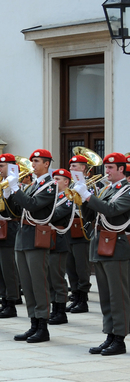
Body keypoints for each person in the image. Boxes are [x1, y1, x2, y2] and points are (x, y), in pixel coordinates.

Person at [72, 152, 130, 356]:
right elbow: (91, 215)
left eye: (111, 168)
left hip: (117, 246)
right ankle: (110, 334)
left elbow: (112, 210)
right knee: (106, 296)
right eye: (106, 168)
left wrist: (88, 196)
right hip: (101, 243)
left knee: (118, 295)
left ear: (121, 169)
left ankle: (120, 338)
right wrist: (82, 198)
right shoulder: (107, 188)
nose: (106, 172)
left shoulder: (127, 190)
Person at [5, 149, 57, 343]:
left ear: (46, 164)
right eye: (32, 161)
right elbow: (18, 209)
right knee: (26, 284)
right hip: (24, 236)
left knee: (38, 282)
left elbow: (33, 205)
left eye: (36, 161)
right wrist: (9, 193)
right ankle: (33, 322)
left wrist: (16, 190)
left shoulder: (50, 186)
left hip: (37, 236)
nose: (32, 164)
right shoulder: (33, 184)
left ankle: (43, 325)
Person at [0, 154, 21, 319]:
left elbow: (14, 210)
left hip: (9, 227)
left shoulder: (17, 185)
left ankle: (12, 303)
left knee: (8, 269)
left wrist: (8, 191)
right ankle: (4, 299)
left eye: (2, 166)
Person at [65, 154, 93, 313]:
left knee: (82, 266)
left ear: (83, 168)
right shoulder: (70, 185)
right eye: (71, 167)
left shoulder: (90, 185)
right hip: (69, 226)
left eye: (75, 166)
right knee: (70, 264)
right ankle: (75, 295)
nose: (72, 169)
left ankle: (83, 299)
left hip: (82, 226)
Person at [47, 168, 75, 326]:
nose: (55, 181)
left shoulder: (68, 198)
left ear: (66, 182)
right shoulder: (53, 197)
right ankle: (54, 308)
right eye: (54, 178)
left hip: (59, 240)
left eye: (58, 179)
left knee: (57, 278)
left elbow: (55, 215)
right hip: (48, 239)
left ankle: (60, 311)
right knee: (49, 278)